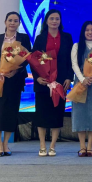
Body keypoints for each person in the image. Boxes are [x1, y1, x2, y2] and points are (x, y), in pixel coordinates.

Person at [0, 12, 31, 156]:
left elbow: (28, 58)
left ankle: (6, 144)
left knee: (10, 112)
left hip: (15, 81)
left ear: (19, 23)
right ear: (5, 22)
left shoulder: (23, 38)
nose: (12, 23)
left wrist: (16, 71)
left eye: (15, 21)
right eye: (10, 20)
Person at [31, 9, 73, 157]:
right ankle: (42, 146)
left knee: (57, 114)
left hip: (60, 83)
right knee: (42, 114)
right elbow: (33, 59)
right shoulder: (40, 38)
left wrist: (69, 77)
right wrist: (37, 77)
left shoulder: (67, 37)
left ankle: (53, 146)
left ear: (60, 21)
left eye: (57, 19)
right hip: (43, 82)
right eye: (51, 18)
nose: (54, 21)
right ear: (47, 21)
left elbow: (71, 60)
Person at [71, 21, 92, 157]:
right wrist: (82, 79)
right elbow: (74, 64)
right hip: (80, 84)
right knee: (80, 113)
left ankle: (89, 146)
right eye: (87, 30)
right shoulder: (77, 46)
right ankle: (82, 146)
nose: (90, 32)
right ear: (83, 32)